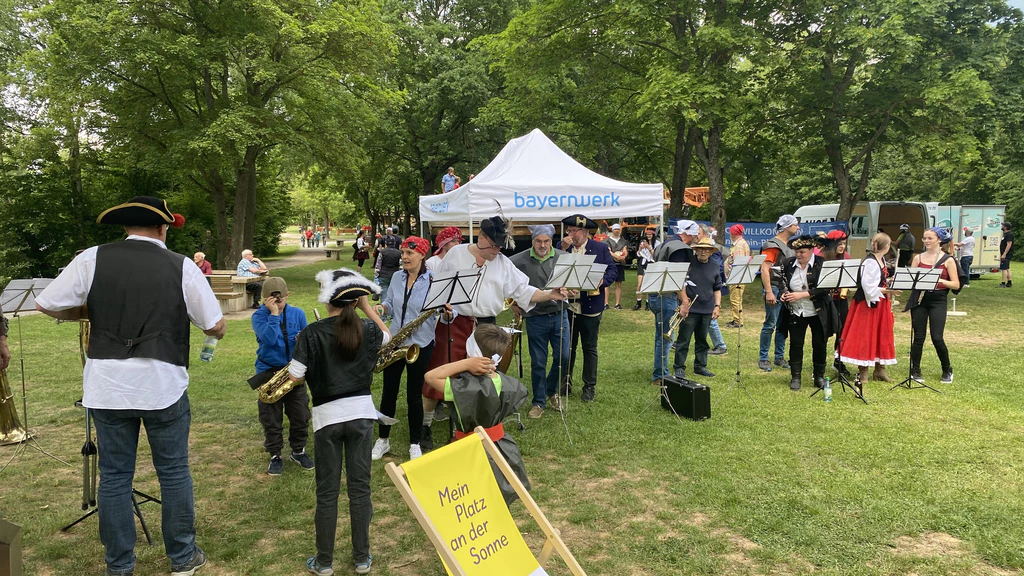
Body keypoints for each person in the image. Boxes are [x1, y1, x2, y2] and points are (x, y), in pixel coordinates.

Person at [35, 196, 226, 576]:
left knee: (115, 477)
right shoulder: (182, 266)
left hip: (107, 385)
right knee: (173, 472)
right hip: (162, 383)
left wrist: (90, 309)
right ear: (162, 227)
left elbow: (47, 304)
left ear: (126, 226)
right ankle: (183, 558)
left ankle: (119, 566)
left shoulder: (92, 257)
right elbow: (214, 325)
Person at [287, 269, 389, 576]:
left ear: (326, 297)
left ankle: (324, 561)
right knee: (360, 489)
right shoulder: (368, 329)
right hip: (361, 415)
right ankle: (362, 558)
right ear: (354, 300)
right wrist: (367, 308)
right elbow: (389, 338)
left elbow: (295, 377)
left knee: (327, 492)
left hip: (327, 418)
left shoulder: (311, 332)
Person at [424, 214, 567, 434]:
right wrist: (444, 308)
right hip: (454, 321)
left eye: (499, 247)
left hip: (485, 326)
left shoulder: (502, 263)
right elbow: (440, 289)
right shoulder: (456, 254)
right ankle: (425, 424)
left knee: (484, 376)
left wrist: (550, 295)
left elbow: (523, 291)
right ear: (480, 237)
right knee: (444, 370)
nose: (496, 251)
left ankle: (479, 424)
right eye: (492, 246)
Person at [423, 324, 530, 505]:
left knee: (470, 497)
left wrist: (464, 364)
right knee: (496, 492)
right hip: (501, 446)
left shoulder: (462, 388)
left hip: (468, 448)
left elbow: (430, 377)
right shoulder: (508, 383)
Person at [372, 237, 453, 460]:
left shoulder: (435, 282)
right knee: (388, 393)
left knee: (414, 396)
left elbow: (445, 316)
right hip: (396, 341)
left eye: (410, 253)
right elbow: (390, 303)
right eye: (403, 253)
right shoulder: (397, 277)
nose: (404, 257)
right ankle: (383, 440)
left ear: (422, 255)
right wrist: (381, 307)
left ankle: (415, 443)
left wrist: (448, 314)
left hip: (421, 343)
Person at [250, 277, 313, 475]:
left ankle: (298, 450)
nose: (277, 303)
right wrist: (274, 314)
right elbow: (268, 340)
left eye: (281, 300)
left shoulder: (298, 313)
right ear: (264, 298)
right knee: (271, 417)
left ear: (287, 295)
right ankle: (275, 454)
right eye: (272, 300)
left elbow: (306, 342)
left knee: (300, 414)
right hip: (268, 372)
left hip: (293, 371)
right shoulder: (259, 316)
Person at [509, 225, 569, 418]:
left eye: (546, 241)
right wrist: (512, 302)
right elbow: (506, 282)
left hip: (560, 313)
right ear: (532, 240)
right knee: (538, 361)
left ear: (552, 241)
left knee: (564, 357)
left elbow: (574, 281)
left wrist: (573, 289)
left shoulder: (563, 257)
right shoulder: (518, 260)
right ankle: (538, 402)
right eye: (538, 241)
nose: (542, 245)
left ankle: (551, 390)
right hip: (535, 317)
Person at [559, 214, 617, 402]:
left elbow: (612, 270)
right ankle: (565, 381)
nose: (570, 234)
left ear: (584, 232)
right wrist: (562, 250)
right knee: (568, 347)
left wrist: (602, 281)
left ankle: (589, 386)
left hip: (591, 306)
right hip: (568, 305)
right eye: (569, 231)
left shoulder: (599, 248)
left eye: (574, 231)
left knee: (589, 347)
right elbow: (553, 269)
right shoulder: (562, 248)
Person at [779, 236, 839, 391]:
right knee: (796, 343)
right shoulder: (788, 263)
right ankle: (795, 376)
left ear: (812, 250)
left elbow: (826, 288)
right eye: (796, 252)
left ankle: (818, 376)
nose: (798, 255)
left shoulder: (821, 264)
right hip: (796, 310)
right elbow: (781, 282)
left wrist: (802, 294)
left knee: (819, 343)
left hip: (817, 310)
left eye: (802, 252)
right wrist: (783, 293)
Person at [839, 233, 898, 385]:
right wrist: (889, 291)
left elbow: (879, 281)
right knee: (865, 335)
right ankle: (863, 371)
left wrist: (889, 282)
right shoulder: (870, 262)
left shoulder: (881, 259)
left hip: (880, 303)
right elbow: (869, 288)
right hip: (867, 304)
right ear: (886, 247)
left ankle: (880, 370)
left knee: (881, 334)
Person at [905, 228, 962, 385]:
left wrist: (940, 281)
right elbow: (911, 280)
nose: (926, 241)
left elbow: (956, 284)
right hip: (921, 298)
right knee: (918, 337)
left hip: (938, 299)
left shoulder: (948, 260)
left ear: (939, 240)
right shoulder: (918, 258)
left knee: (937, 337)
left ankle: (947, 369)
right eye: (924, 238)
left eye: (930, 238)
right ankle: (915, 370)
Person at [650, 220, 697, 384]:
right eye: (694, 235)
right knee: (666, 338)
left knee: (660, 336)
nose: (695, 239)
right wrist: (684, 300)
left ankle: (660, 371)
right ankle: (660, 375)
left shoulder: (664, 244)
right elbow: (677, 277)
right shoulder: (680, 248)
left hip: (656, 294)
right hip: (666, 294)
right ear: (689, 233)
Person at [671, 238, 722, 380]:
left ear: (711, 252)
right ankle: (679, 368)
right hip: (690, 310)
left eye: (707, 249)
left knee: (702, 341)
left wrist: (717, 306)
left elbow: (717, 289)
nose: (703, 251)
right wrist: (684, 303)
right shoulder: (688, 264)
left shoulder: (715, 266)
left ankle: (700, 367)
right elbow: (679, 285)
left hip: (707, 309)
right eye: (700, 249)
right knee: (683, 340)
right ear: (696, 250)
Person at [758, 215, 800, 372]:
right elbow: (764, 269)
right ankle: (763, 358)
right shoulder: (772, 245)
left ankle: (779, 357)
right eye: (795, 225)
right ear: (787, 226)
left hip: (785, 289)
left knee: (783, 325)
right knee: (770, 324)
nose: (798, 228)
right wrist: (769, 292)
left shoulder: (788, 246)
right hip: (775, 288)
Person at [821, 230, 852, 376]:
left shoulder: (846, 256)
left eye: (844, 243)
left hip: (841, 299)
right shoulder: (821, 257)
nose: (842, 246)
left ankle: (838, 361)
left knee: (842, 331)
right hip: (826, 299)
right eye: (839, 244)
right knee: (824, 332)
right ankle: (819, 363)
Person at [698, 224, 729, 355]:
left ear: (705, 235)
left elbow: (717, 268)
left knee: (710, 317)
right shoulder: (699, 248)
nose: (696, 236)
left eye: (698, 233)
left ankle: (720, 345)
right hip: (701, 289)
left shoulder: (710, 249)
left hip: (710, 288)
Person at [725, 224, 749, 328]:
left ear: (733, 233)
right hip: (738, 276)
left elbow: (739, 262)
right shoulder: (741, 243)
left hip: (737, 276)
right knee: (736, 298)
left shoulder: (739, 246)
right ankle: (736, 319)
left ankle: (738, 321)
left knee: (735, 299)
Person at [602, 223, 629, 310]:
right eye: (615, 229)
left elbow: (625, 250)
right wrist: (617, 256)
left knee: (618, 283)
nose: (617, 231)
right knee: (607, 284)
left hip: (620, 264)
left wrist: (624, 256)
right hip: (610, 264)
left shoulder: (623, 241)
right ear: (612, 230)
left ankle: (617, 303)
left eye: (618, 229)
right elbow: (609, 251)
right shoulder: (606, 241)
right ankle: (606, 303)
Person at [633, 226, 659, 310]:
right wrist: (640, 249)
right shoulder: (642, 242)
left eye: (650, 234)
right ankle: (638, 302)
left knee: (648, 284)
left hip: (651, 263)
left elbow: (655, 255)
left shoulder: (657, 243)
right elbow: (638, 255)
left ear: (653, 235)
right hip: (643, 263)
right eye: (647, 234)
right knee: (640, 284)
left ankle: (648, 303)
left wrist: (649, 248)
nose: (648, 236)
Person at [374, 237, 401, 303]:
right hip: (395, 276)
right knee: (394, 294)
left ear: (386, 243)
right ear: (394, 243)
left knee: (384, 295)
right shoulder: (399, 253)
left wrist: (376, 275)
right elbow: (400, 266)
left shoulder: (382, 252)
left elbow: (378, 265)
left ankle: (384, 310)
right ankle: (393, 312)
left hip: (383, 275)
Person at [999, 222, 1013, 288]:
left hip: (1007, 254)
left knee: (1004, 268)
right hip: (1005, 253)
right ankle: (1009, 282)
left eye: (1003, 225)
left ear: (1006, 227)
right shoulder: (1005, 234)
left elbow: (1009, 244)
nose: (1001, 226)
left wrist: (1004, 254)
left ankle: (1003, 283)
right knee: (1007, 268)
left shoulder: (1009, 234)